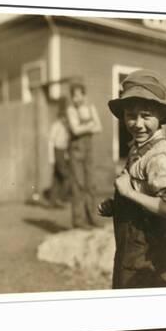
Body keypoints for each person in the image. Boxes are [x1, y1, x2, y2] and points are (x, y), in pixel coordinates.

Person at [98, 70, 166, 289]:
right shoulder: (140, 147)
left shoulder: (159, 153)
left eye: (146, 115)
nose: (137, 123)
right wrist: (118, 204)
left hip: (147, 262)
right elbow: (143, 190)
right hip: (131, 252)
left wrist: (129, 193)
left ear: (160, 117)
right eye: (131, 115)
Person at [66, 80, 103, 228]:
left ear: (84, 95)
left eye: (79, 95)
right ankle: (79, 221)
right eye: (74, 96)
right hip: (76, 150)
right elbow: (75, 130)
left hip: (88, 150)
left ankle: (92, 217)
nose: (76, 99)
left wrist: (84, 126)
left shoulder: (91, 108)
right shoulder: (71, 110)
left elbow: (99, 127)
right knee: (78, 185)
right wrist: (89, 125)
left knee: (91, 184)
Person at [44, 97, 71, 208]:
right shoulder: (56, 126)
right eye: (63, 116)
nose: (65, 119)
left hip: (62, 152)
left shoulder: (66, 127)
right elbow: (51, 142)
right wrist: (51, 158)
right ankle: (60, 198)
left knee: (56, 177)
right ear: (60, 116)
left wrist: (66, 154)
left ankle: (52, 201)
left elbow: (66, 142)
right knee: (66, 176)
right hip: (57, 151)